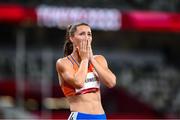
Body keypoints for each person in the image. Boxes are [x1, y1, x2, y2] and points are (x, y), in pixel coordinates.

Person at [56, 22, 116, 120]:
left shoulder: (99, 59)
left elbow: (111, 82)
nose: (86, 37)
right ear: (72, 38)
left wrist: (91, 59)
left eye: (89, 34)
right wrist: (84, 59)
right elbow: (79, 83)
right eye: (82, 34)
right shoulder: (63, 63)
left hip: (100, 117)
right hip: (80, 116)